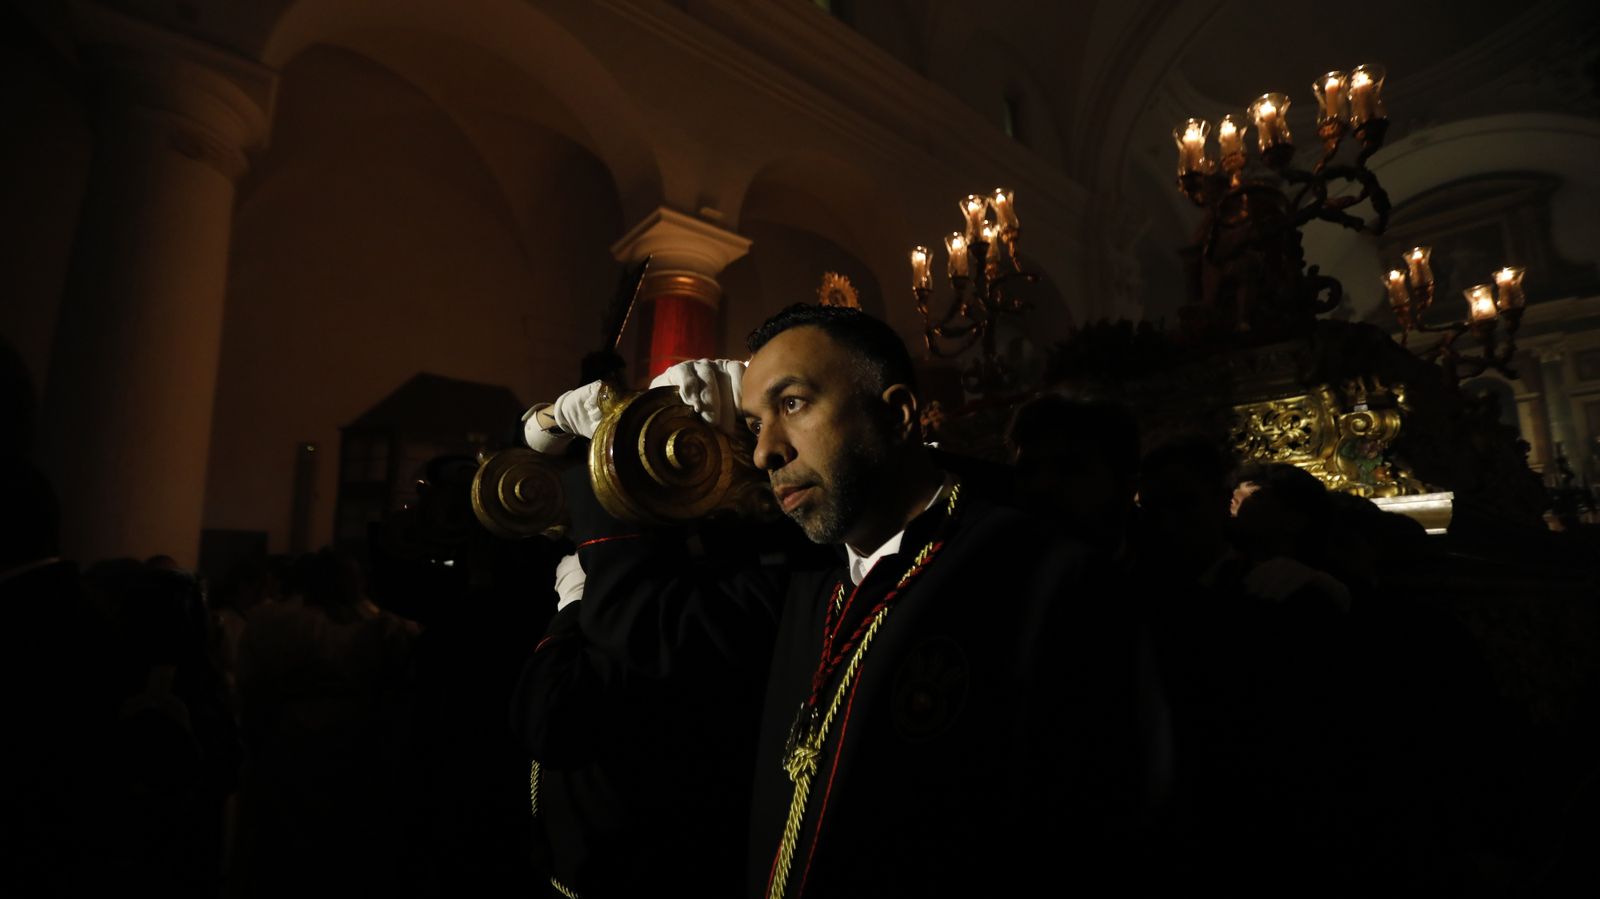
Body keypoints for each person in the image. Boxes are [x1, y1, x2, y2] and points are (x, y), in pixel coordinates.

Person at [515, 304, 1156, 898]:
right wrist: (645, 438)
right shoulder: (812, 582)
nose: (766, 450)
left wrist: (625, 441)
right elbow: (654, 632)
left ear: (899, 414)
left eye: (793, 403)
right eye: (753, 424)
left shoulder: (1037, 578)